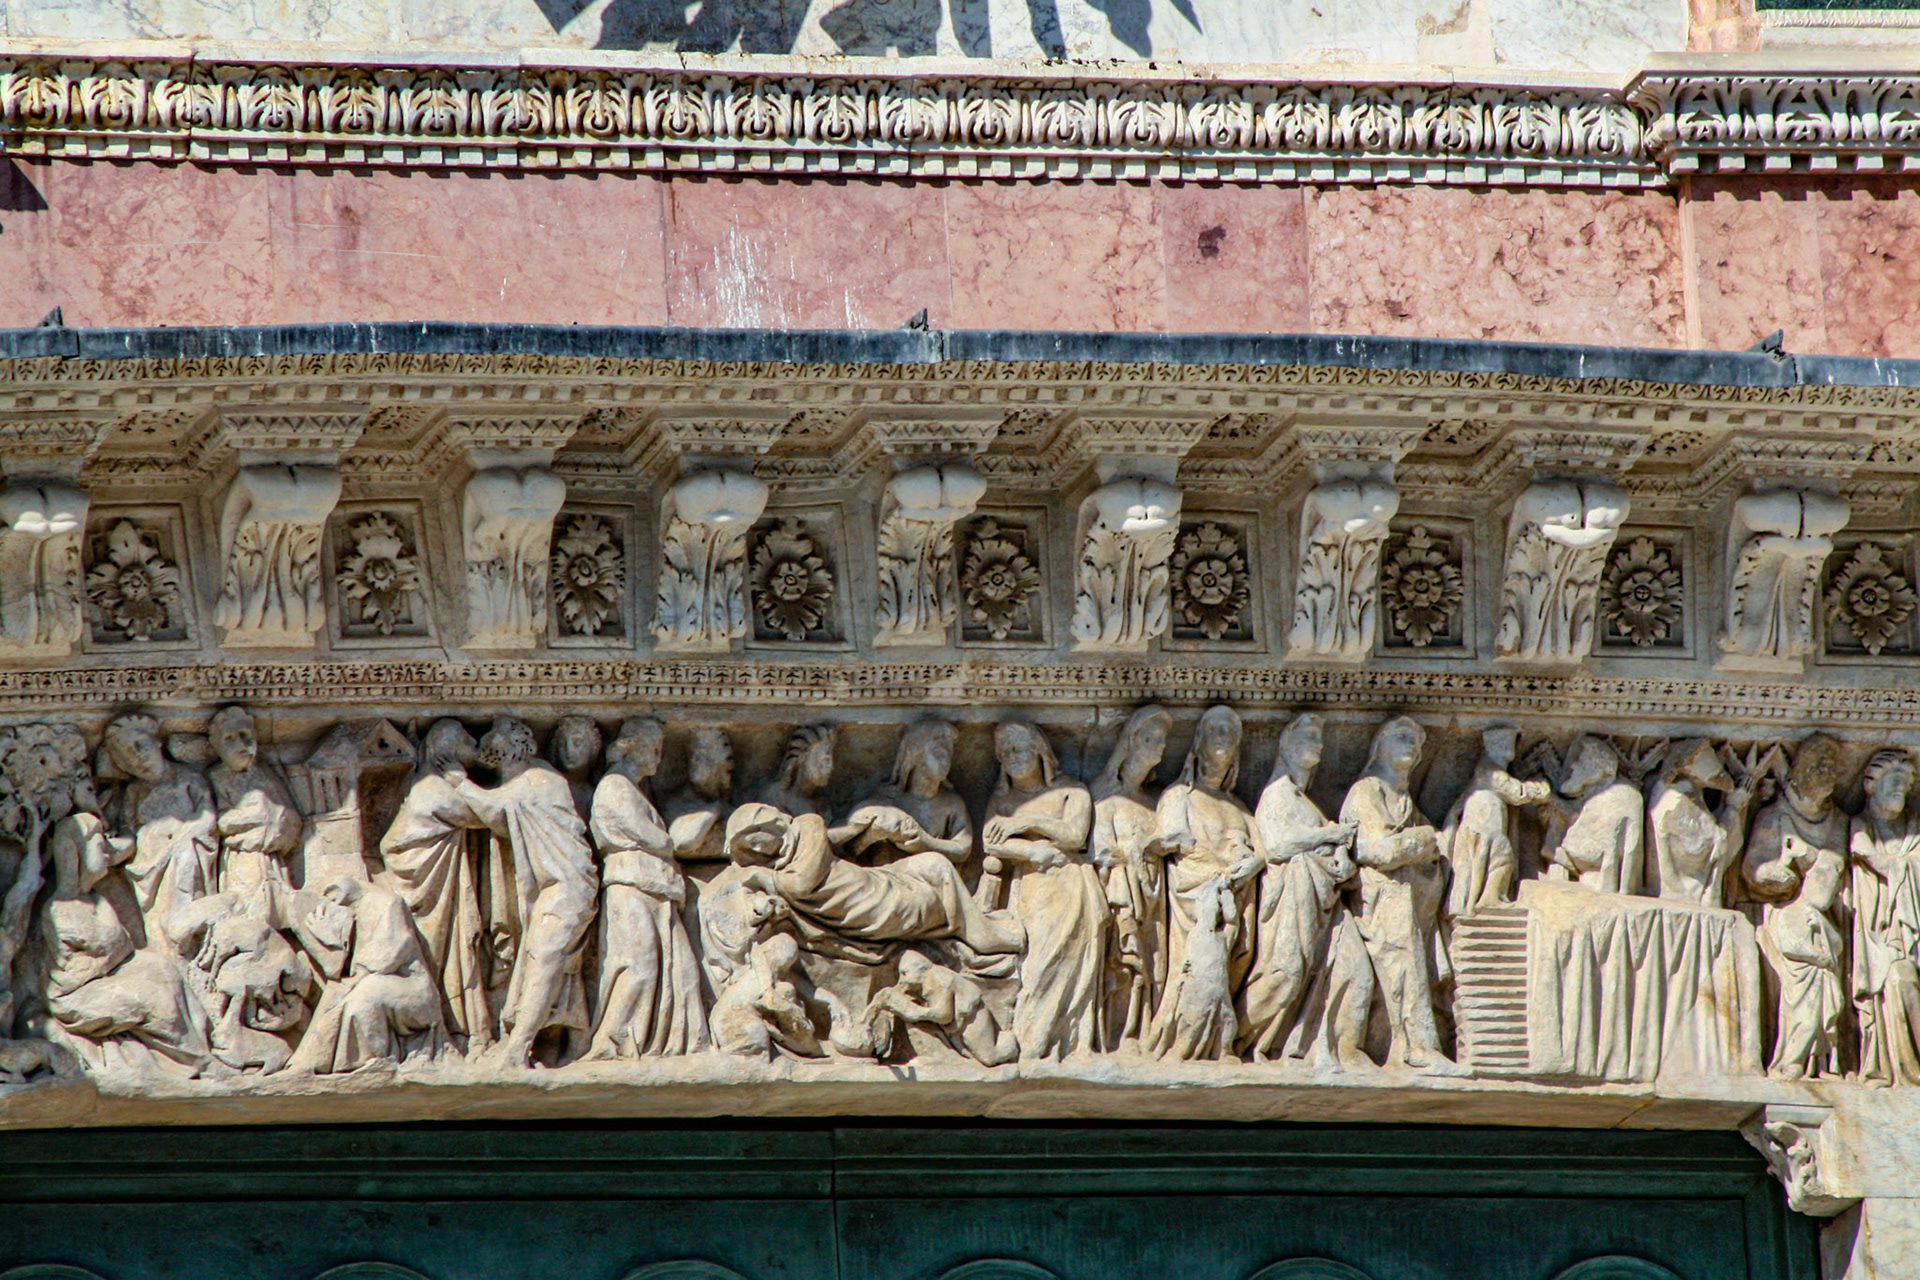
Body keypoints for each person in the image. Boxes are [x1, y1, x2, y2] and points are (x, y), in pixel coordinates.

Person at [452, 716, 599, 1068]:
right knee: (549, 961)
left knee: (545, 957)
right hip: (557, 889)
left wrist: (458, 781)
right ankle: (572, 1042)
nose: (489, 747)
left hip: (568, 887)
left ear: (514, 747)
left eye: (495, 741)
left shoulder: (538, 777)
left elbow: (495, 810)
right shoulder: (529, 779)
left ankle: (518, 1048)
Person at [586, 717, 710, 1060]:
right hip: (631, 887)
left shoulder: (635, 790)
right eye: (653, 749)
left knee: (683, 970)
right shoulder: (614, 787)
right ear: (631, 748)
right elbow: (651, 837)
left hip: (657, 891)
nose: (658, 758)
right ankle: (614, 1043)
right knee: (639, 965)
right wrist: (680, 838)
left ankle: (681, 1045)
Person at [1334, 715, 1450, 1071]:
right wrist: (1422, 840)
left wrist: (1421, 844)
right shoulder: (1366, 790)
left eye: (1416, 740)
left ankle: (1404, 1046)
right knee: (1401, 966)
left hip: (1408, 902)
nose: (1412, 744)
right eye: (1401, 736)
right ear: (1380, 745)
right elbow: (1376, 850)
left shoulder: (1404, 800)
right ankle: (1417, 1048)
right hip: (1380, 901)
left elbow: (1425, 852)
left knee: (1406, 969)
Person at [982, 720, 1102, 1061]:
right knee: (1034, 968)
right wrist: (1030, 851)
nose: (1011, 759)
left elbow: (1076, 835)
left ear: (1040, 752)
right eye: (1003, 754)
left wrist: (1027, 822)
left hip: (1071, 888)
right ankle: (1034, 1041)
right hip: (1030, 890)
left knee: (1072, 962)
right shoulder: (1002, 798)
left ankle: (1068, 1044)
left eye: (1017, 749)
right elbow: (990, 844)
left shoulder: (1072, 791)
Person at [1240, 713, 1356, 1060]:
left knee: (1348, 972)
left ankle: (1320, 1047)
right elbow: (1276, 846)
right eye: (1308, 736)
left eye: (1320, 737)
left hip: (1324, 905)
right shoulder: (1276, 795)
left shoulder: (1305, 801)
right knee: (1285, 975)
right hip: (1292, 901)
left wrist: (1343, 859)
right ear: (1285, 744)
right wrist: (1330, 834)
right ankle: (1235, 1036)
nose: (1317, 744)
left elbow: (1333, 854)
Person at [1147, 706, 1260, 1060]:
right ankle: (1185, 1042)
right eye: (1215, 729)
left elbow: (1263, 852)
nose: (1223, 735)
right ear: (1198, 742)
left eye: (1230, 729)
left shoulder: (1239, 807)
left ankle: (1223, 1043)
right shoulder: (1179, 796)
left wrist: (1243, 868)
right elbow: (1166, 840)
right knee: (1199, 974)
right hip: (1195, 902)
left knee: (1222, 976)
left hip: (1235, 900)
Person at [378, 719, 492, 1051]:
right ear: (449, 753)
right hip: (428, 893)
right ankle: (434, 1030)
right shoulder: (434, 789)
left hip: (434, 885)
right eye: (468, 744)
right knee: (436, 956)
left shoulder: (424, 785)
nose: (476, 748)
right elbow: (484, 815)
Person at [289, 876, 445, 1074]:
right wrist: (331, 941)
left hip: (413, 989)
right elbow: (339, 968)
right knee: (340, 995)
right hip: (376, 981)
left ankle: (373, 1061)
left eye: (333, 899)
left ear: (341, 890)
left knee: (366, 995)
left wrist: (356, 976)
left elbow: (393, 951)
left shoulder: (388, 904)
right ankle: (313, 1063)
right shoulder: (354, 911)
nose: (332, 905)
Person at [1089, 705, 1172, 1050]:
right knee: (1124, 964)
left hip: (1155, 895)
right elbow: (1100, 851)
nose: (1161, 746)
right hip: (1121, 894)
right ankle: (1115, 1036)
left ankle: (1144, 1032)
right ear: (1131, 742)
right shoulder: (1105, 796)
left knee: (1155, 965)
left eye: (1164, 740)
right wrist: (1137, 850)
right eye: (1151, 738)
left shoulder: (1157, 801)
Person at [1851, 749, 1920, 1084]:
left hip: (1913, 926)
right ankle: (1903, 1069)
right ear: (1870, 784)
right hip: (1881, 935)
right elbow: (1861, 851)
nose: (1900, 790)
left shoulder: (1916, 830)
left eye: (1906, 785)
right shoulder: (1859, 826)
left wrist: (1890, 862)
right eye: (1894, 780)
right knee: (1899, 980)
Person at [206, 706, 303, 922]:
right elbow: (219, 823)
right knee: (248, 908)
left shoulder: (265, 773)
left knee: (277, 907)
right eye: (230, 738)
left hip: (272, 856)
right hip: (242, 857)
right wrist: (261, 816)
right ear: (216, 745)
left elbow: (290, 817)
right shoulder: (215, 777)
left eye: (246, 736)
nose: (241, 744)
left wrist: (270, 820)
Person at [1442, 725, 1550, 917]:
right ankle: (1489, 899)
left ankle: (1477, 901)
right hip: (1485, 825)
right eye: (1503, 743)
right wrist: (1540, 789)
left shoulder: (1490, 767)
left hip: (1485, 824)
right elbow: (1516, 793)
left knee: (1484, 861)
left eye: (1509, 743)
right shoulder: (1490, 769)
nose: (1508, 748)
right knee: (1502, 859)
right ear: (1491, 746)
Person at [832, 721, 972, 867]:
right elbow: (850, 845)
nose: (947, 761)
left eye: (949, 755)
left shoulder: (951, 803)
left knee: (937, 865)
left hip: (929, 877)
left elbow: (963, 848)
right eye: (939, 754)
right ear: (915, 758)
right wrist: (872, 835)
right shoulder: (888, 799)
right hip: (889, 875)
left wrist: (927, 843)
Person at [1762, 849, 1845, 1080]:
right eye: (1822, 883)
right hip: (1800, 980)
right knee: (1806, 1022)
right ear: (1809, 880)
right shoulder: (1790, 912)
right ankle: (1792, 1062)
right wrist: (1816, 956)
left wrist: (1823, 928)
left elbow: (1837, 944)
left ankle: (1819, 1067)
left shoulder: (1820, 917)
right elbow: (1789, 945)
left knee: (1822, 1024)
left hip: (1821, 979)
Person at [865, 951, 1018, 1067]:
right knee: (971, 1057)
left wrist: (913, 1011)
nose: (902, 979)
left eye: (905, 973)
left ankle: (1010, 1042)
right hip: (956, 1025)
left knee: (989, 1057)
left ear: (920, 969)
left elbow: (944, 1014)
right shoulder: (926, 982)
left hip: (972, 1018)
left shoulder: (939, 977)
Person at [758, 725, 836, 818]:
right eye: (825, 760)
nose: (831, 767)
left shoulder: (822, 804)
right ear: (802, 759)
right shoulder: (774, 795)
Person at [548, 716, 603, 822]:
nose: (569, 751)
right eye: (562, 744)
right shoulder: (551, 788)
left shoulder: (597, 794)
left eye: (578, 743)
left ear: (594, 749)